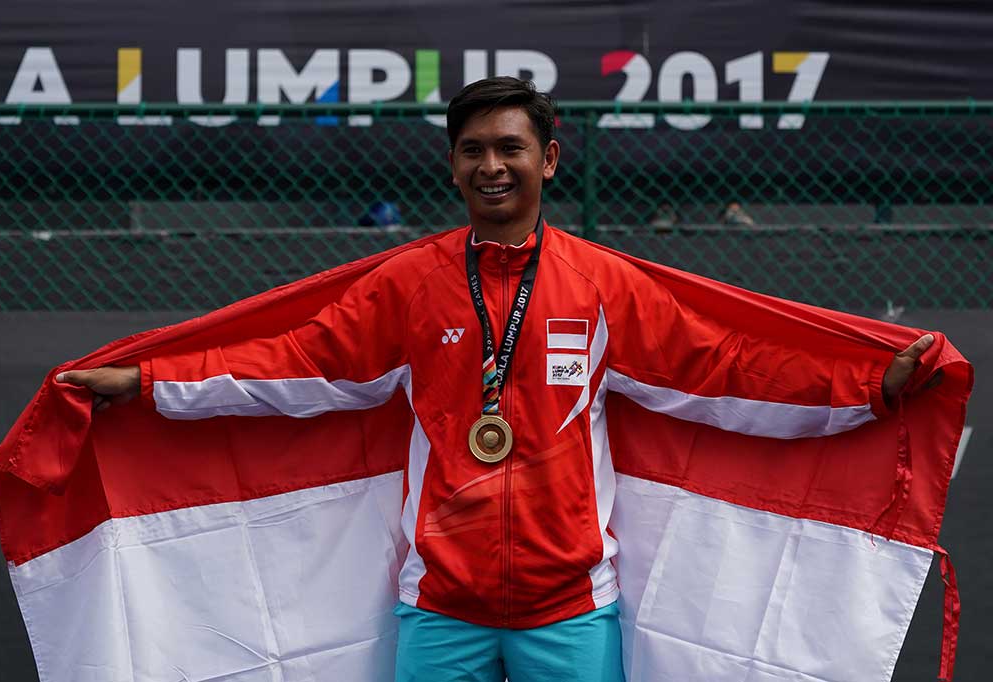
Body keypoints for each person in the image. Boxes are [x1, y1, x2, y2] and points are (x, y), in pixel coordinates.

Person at [56, 77, 933, 682]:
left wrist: (860, 382)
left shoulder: (602, 285)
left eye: (510, 148)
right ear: (452, 167)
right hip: (441, 604)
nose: (491, 166)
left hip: (573, 608)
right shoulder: (406, 284)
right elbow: (295, 362)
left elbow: (725, 370)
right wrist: (154, 379)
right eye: (472, 151)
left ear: (549, 160)